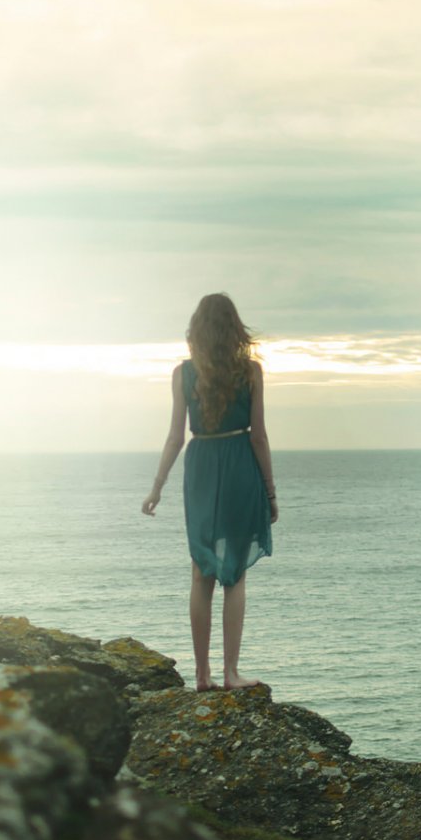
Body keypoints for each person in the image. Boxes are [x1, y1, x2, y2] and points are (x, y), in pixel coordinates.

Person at [141, 292, 279, 691]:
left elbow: (174, 436)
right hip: (239, 463)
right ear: (235, 328)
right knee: (233, 575)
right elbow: (260, 437)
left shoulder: (184, 373)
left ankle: (201, 676)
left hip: (201, 464)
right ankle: (230, 673)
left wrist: (157, 487)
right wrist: (270, 493)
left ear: (196, 331)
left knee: (201, 572)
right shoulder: (250, 372)